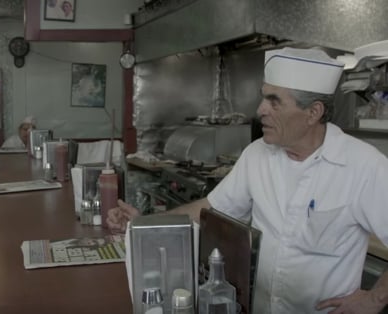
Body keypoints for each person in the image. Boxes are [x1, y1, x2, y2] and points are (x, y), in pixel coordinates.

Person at [108, 47, 388, 313]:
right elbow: (212, 209)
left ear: (313, 113)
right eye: (263, 97)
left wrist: (373, 300)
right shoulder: (257, 155)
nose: (260, 110)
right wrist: (145, 224)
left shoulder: (363, 166)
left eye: (274, 101)